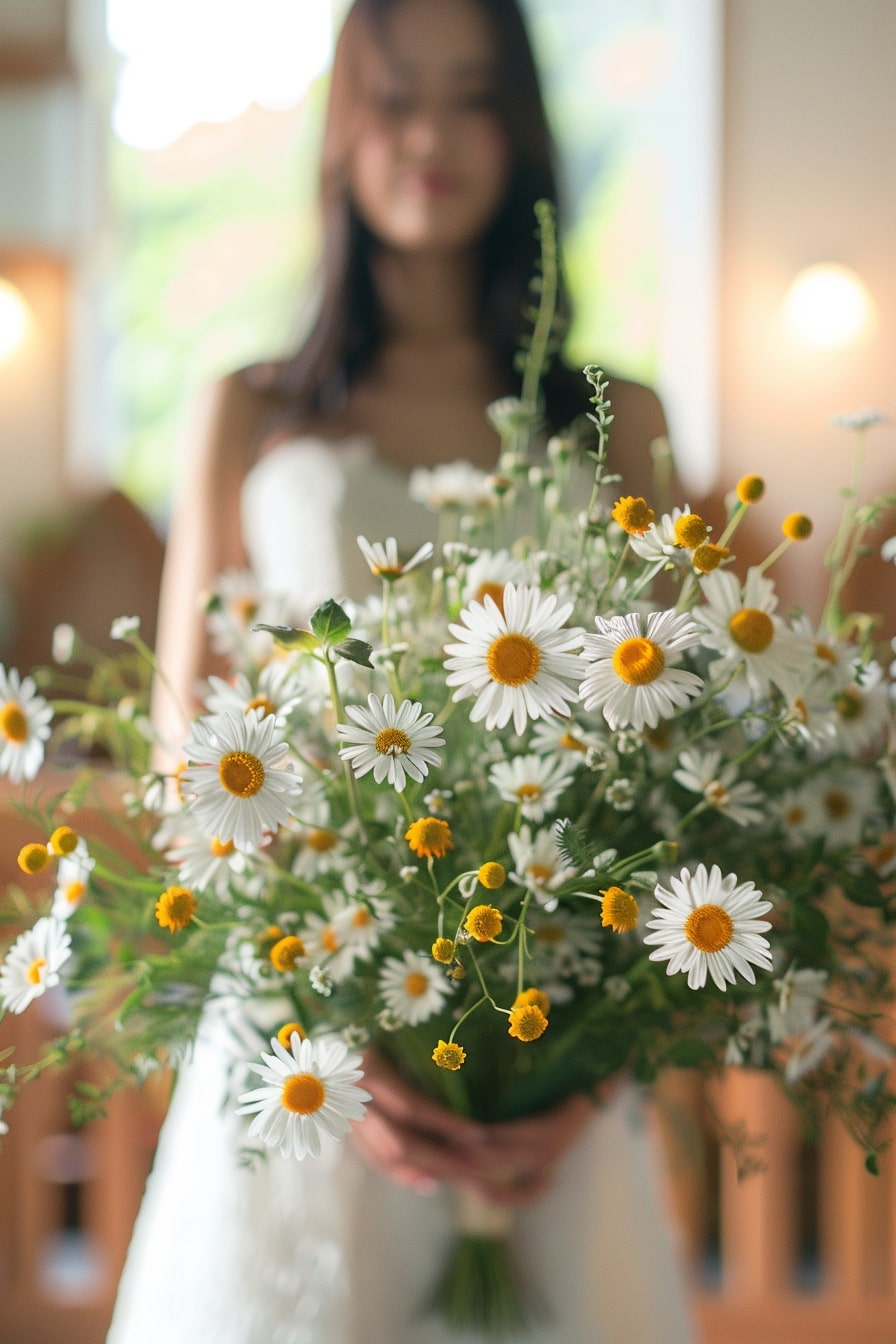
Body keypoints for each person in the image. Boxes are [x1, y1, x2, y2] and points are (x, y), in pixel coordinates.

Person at [108, 2, 695, 1341]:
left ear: (523, 130)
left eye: (471, 97)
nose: (428, 136)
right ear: (341, 128)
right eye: (395, 96)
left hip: (555, 1045)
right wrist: (333, 1028)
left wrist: (584, 1071)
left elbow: (672, 753)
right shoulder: (251, 411)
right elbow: (187, 758)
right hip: (313, 1038)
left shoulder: (620, 418)